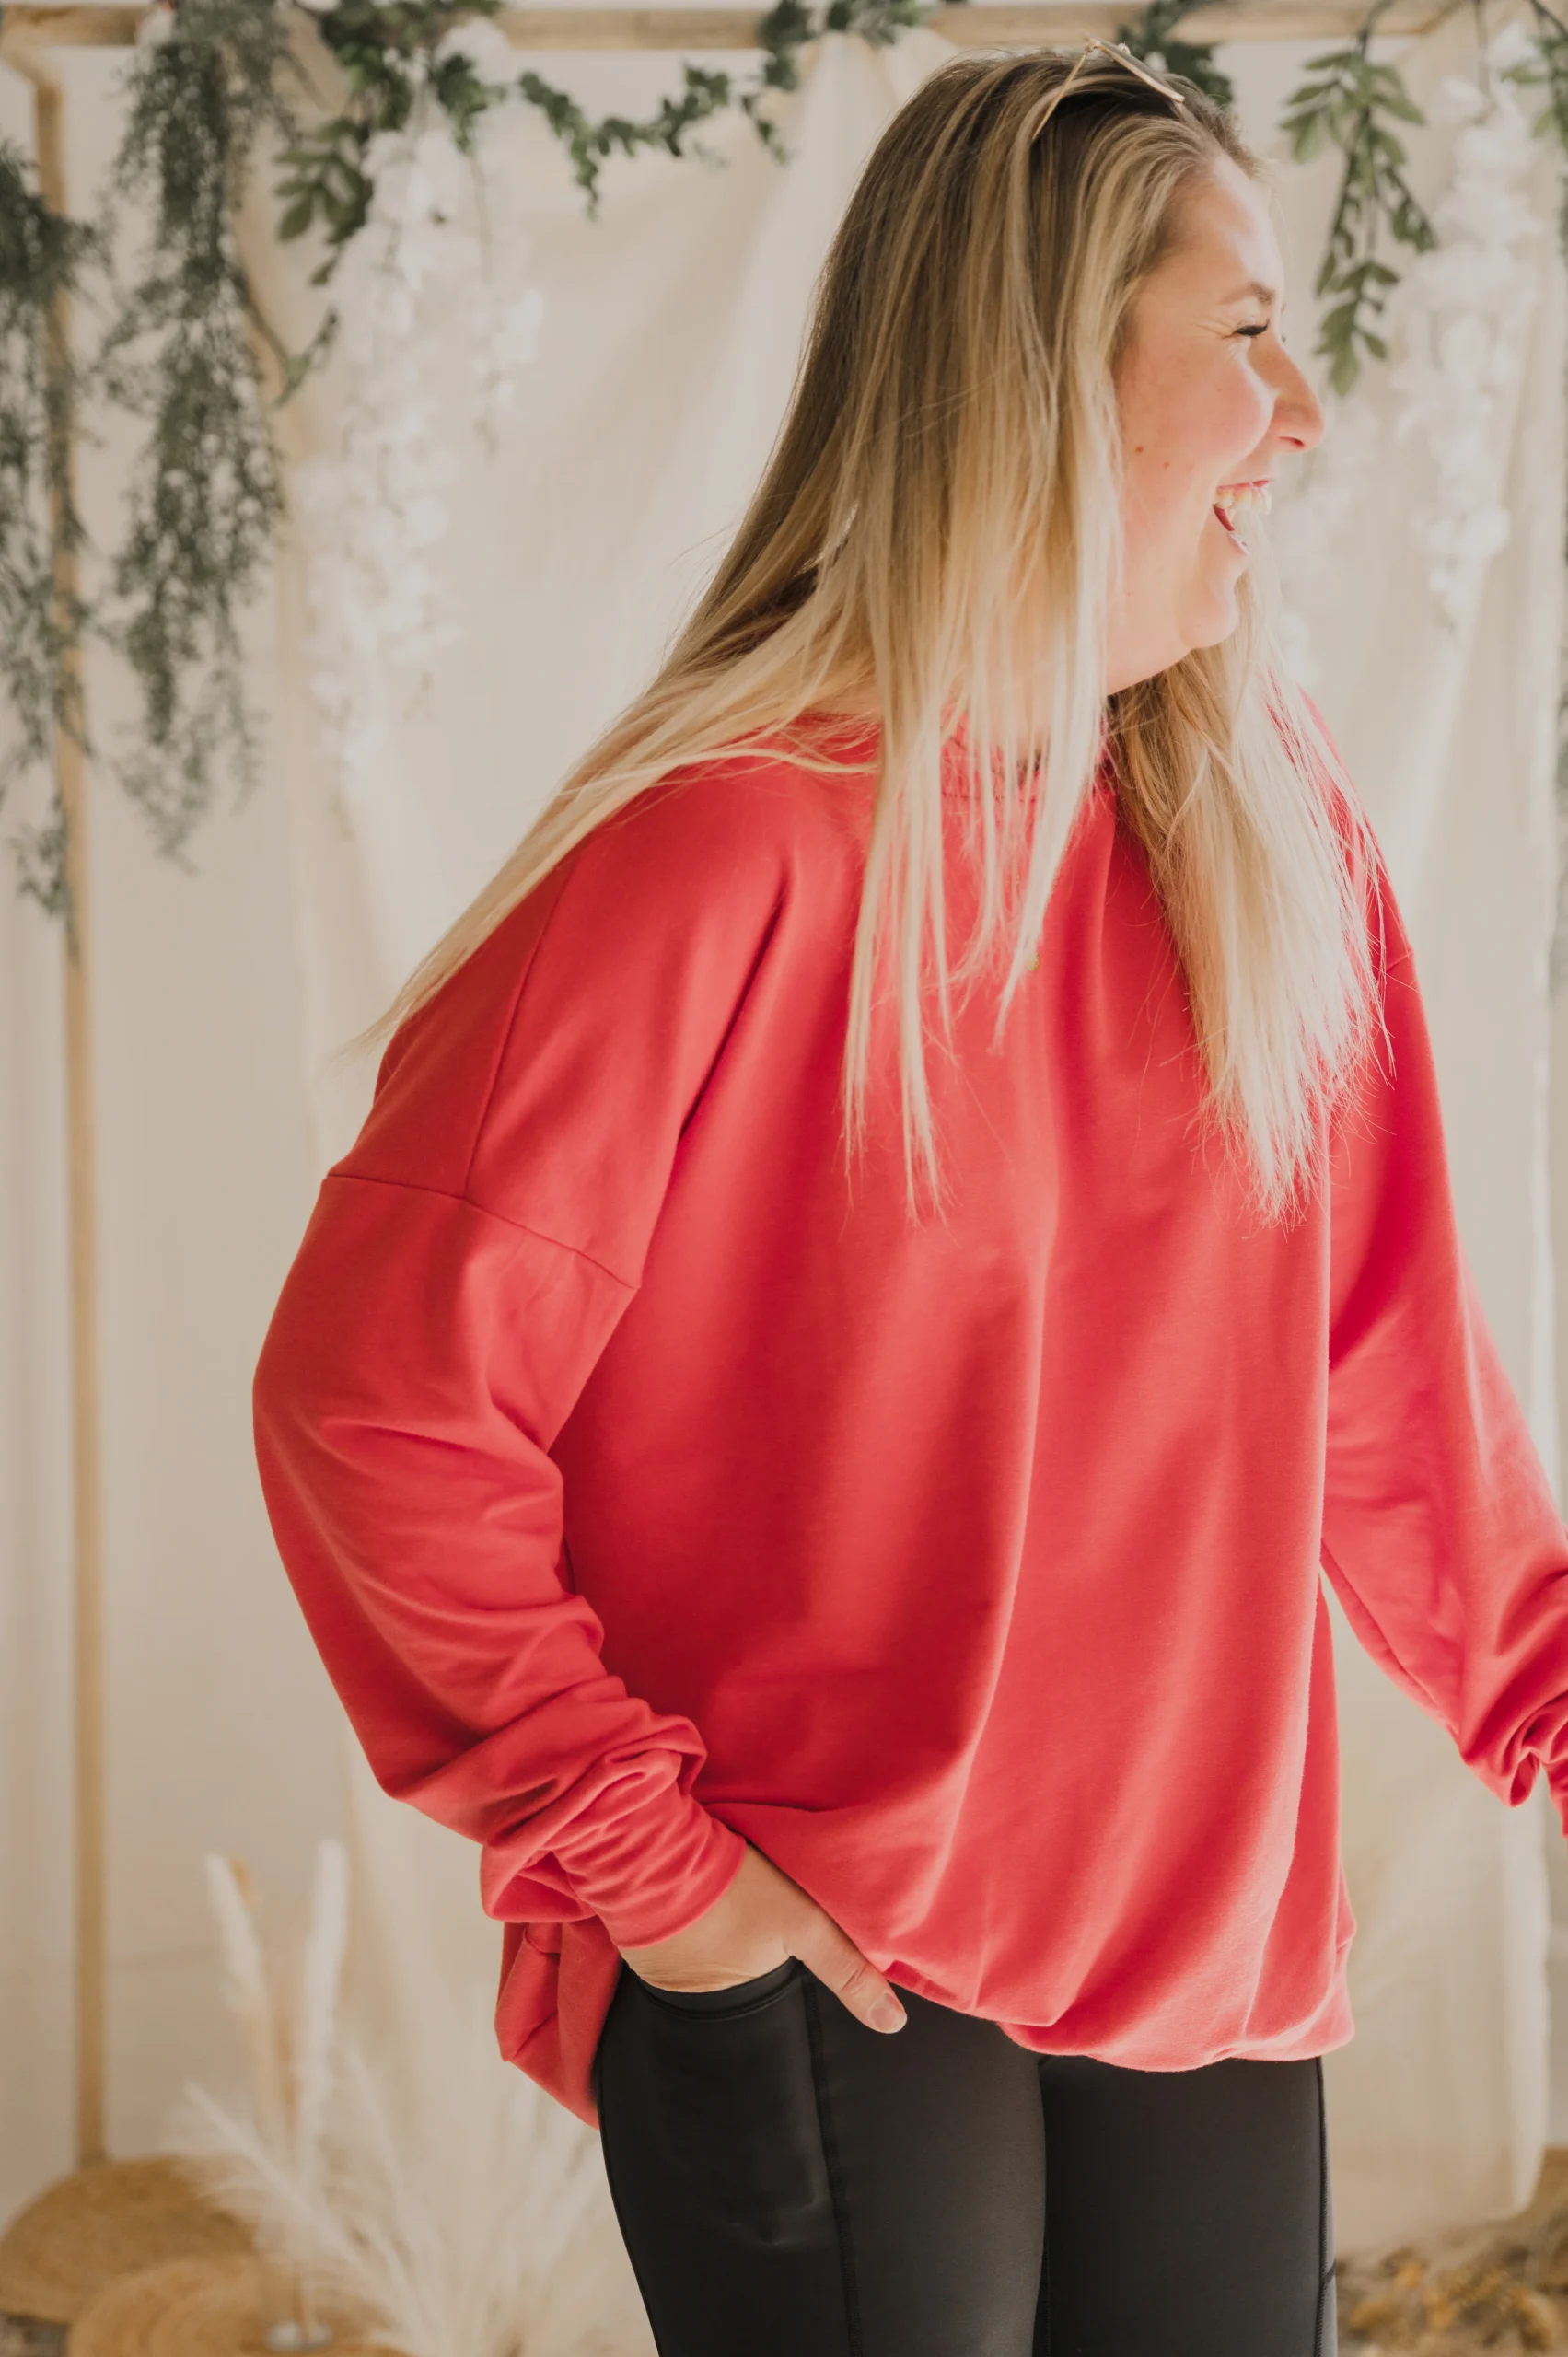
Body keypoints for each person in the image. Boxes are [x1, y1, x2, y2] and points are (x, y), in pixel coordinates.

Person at [252, 42, 1568, 2357]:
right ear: (1045, 369)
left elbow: (1386, 1390)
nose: (1301, 414)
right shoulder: (718, 852)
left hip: (1195, 1938)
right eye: (1242, 329)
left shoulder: (1270, 842)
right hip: (823, 1941)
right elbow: (380, 1409)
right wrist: (660, 1879)